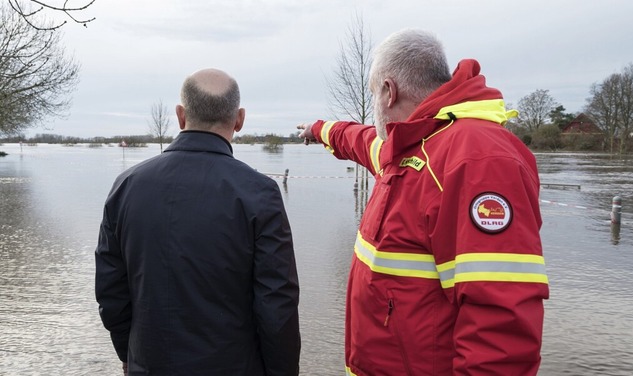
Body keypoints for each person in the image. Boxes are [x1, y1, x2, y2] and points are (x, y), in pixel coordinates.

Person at [298, 29, 549, 375]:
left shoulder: (477, 159)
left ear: (388, 91)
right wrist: (320, 130)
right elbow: (359, 139)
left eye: (372, 94)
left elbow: (500, 325)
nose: (373, 110)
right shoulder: (409, 150)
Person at [95, 68, 300, 375]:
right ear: (239, 120)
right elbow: (277, 305)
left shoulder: (126, 186)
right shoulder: (260, 194)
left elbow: (111, 291)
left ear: (180, 116)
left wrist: (130, 353)